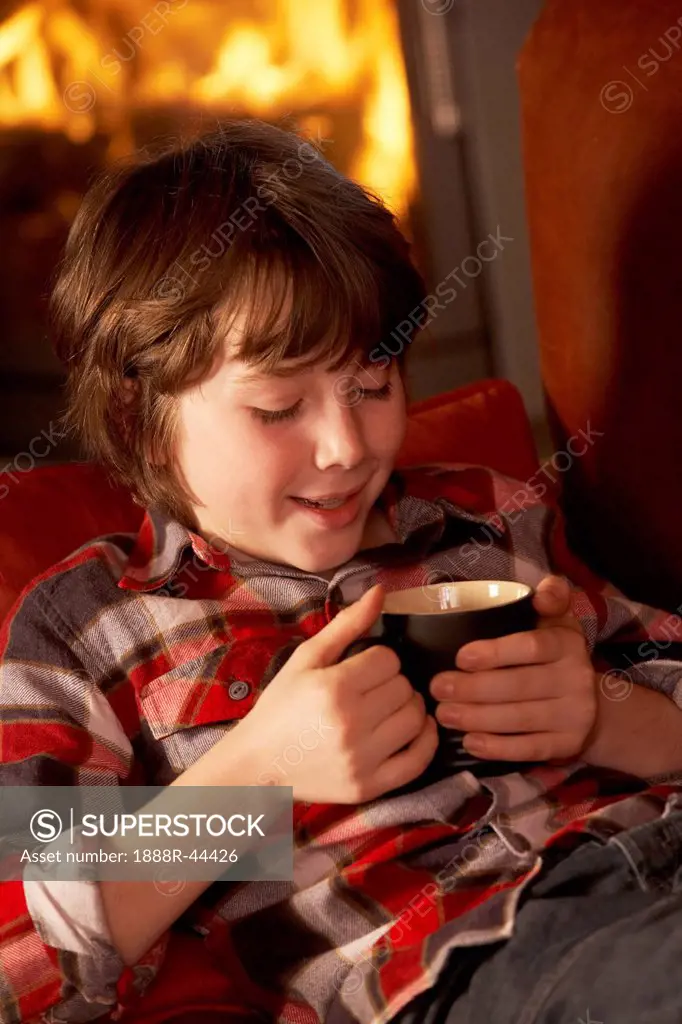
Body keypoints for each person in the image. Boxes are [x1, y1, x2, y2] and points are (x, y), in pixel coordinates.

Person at [1, 118, 682, 1024]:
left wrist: (606, 714)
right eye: (280, 406)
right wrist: (258, 775)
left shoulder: (488, 513)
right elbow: (22, 960)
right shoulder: (88, 627)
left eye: (374, 385)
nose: (348, 446)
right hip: (482, 962)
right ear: (137, 415)